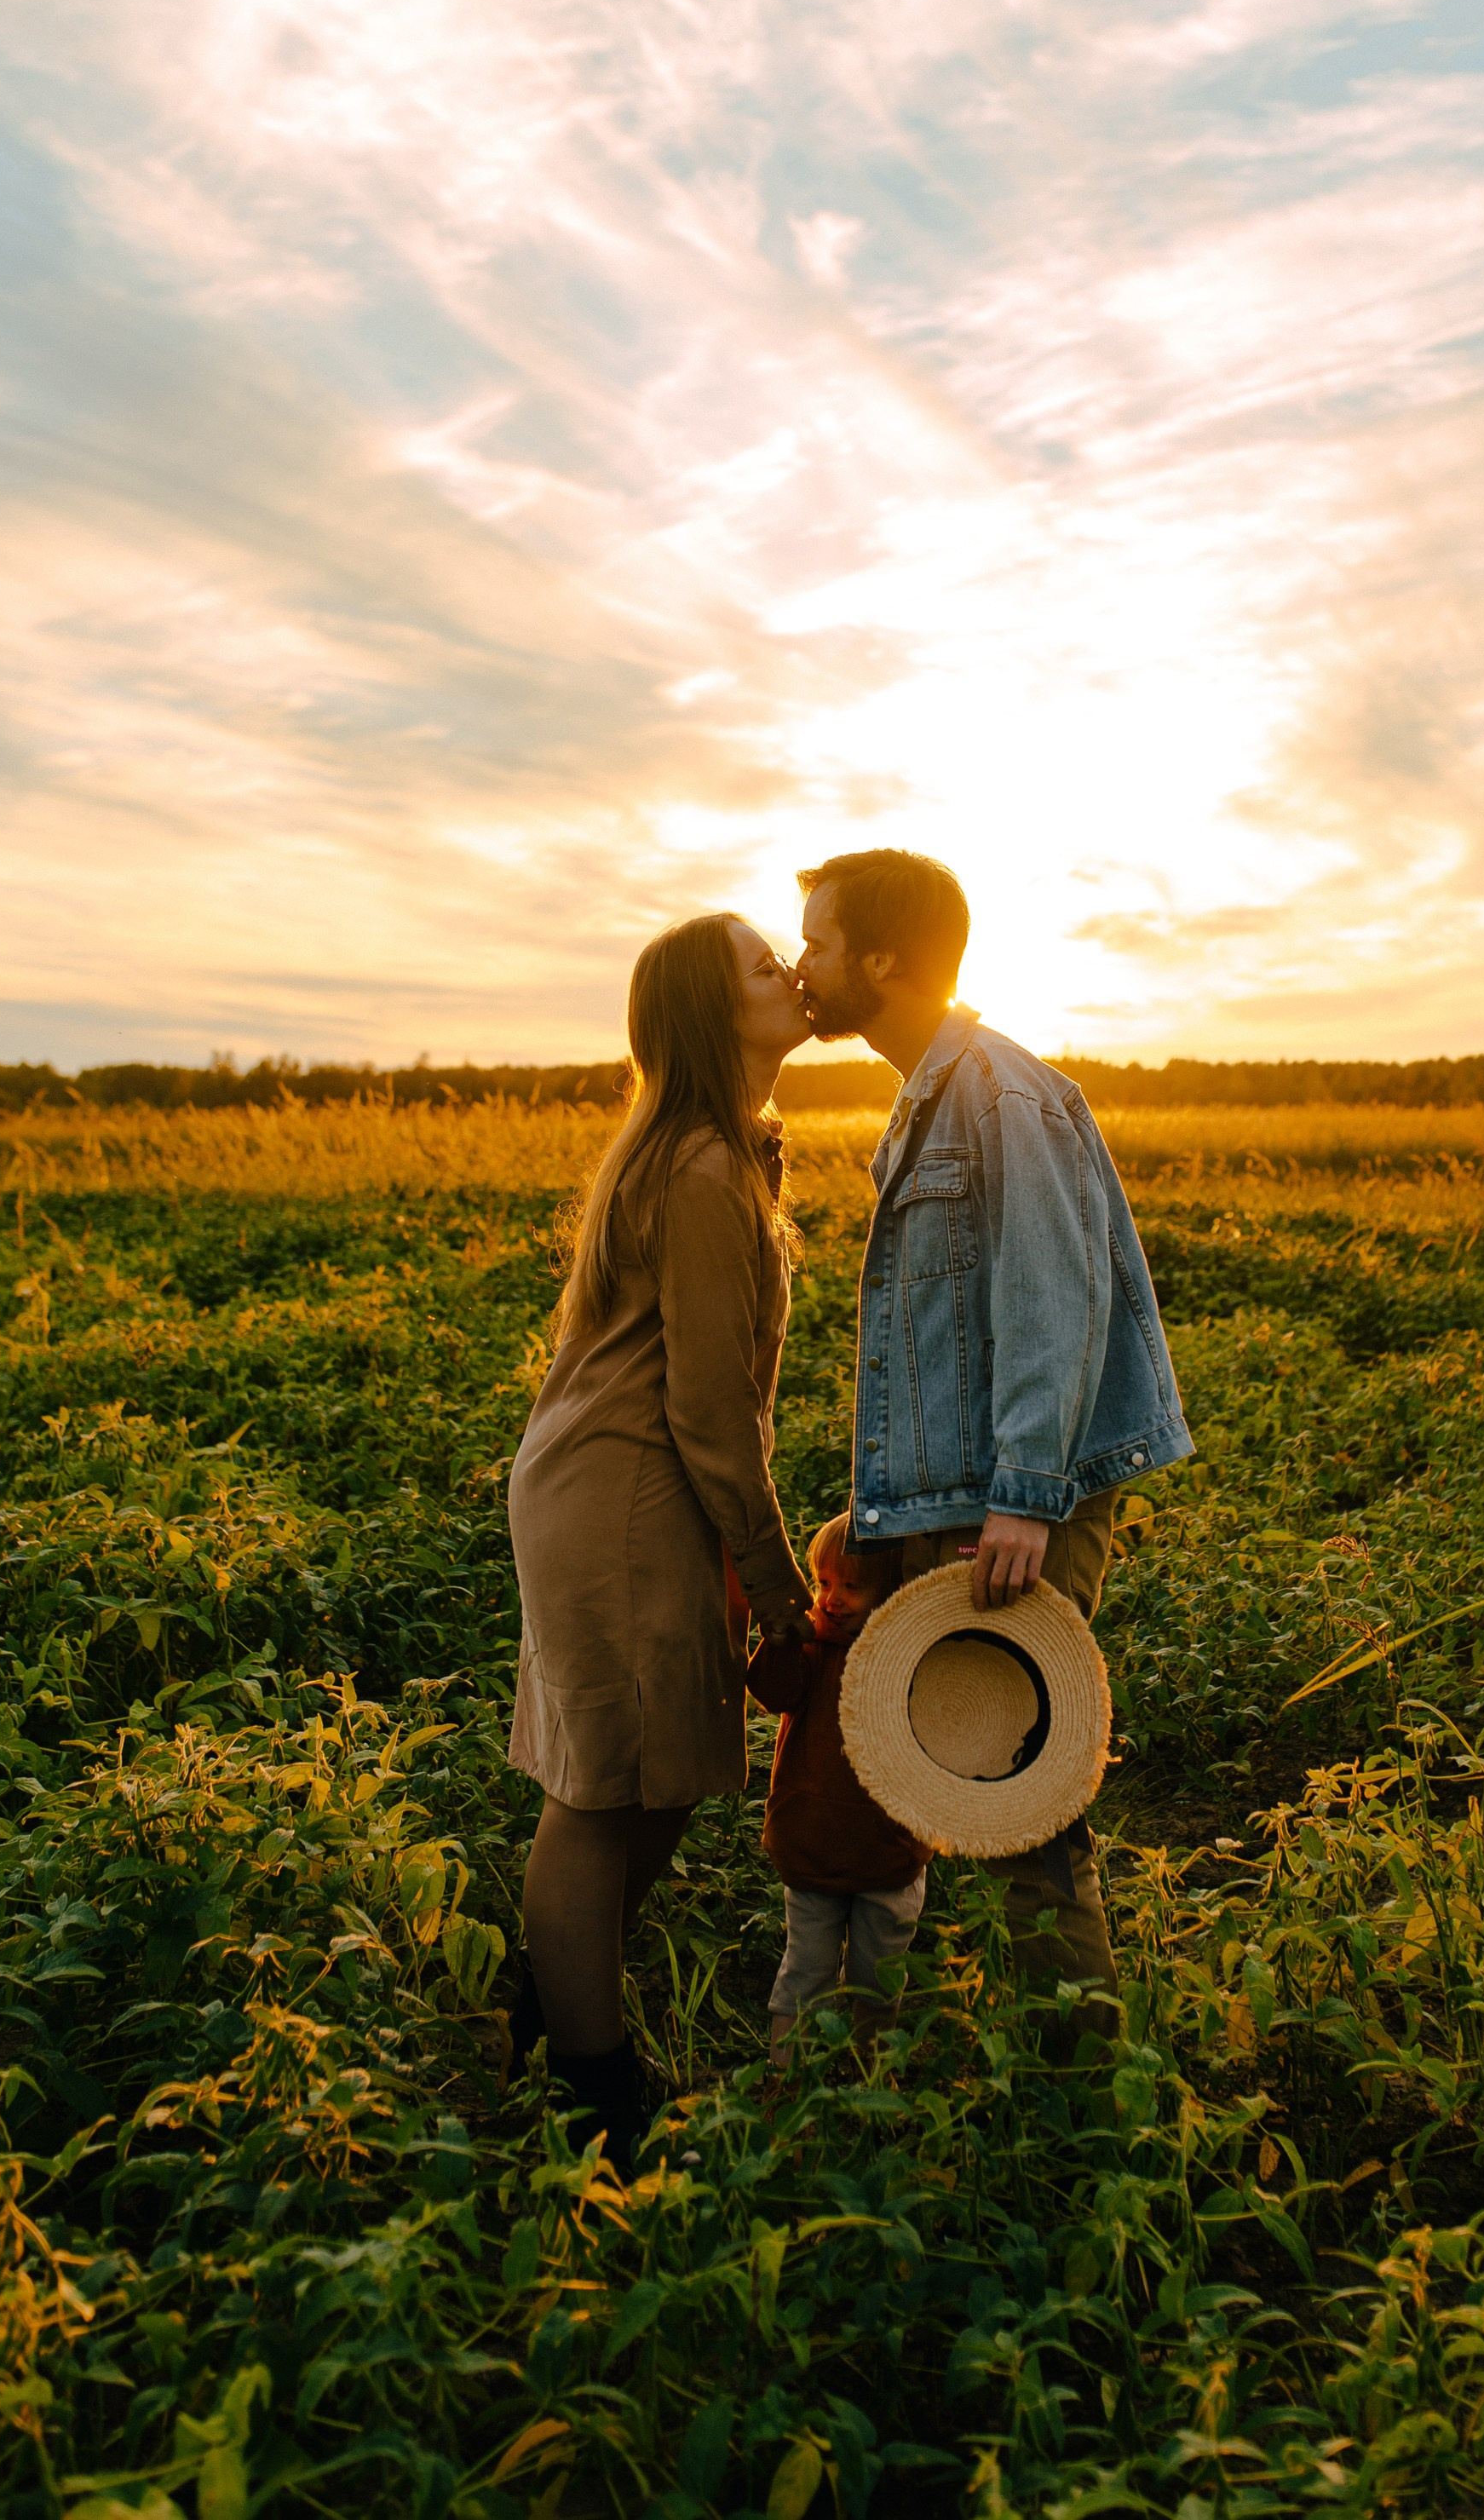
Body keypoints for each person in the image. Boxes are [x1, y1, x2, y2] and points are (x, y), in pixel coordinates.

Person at [792, 848, 1193, 2019]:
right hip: (972, 1491)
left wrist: (1024, 1492)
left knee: (1024, 1794)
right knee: (957, 1768)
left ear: (881, 959)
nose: (800, 964)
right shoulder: (932, 1092)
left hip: (1017, 1501)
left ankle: (1080, 2076)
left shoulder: (999, 1092)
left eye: (817, 942)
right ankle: (963, 2038)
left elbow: (1049, 1294)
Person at [504, 912, 816, 2169]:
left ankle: (548, 1999)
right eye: (762, 965)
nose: (790, 973)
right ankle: (593, 2095)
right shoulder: (696, 1167)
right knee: (602, 1793)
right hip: (624, 1491)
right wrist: (779, 1580)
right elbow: (706, 1406)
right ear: (709, 1010)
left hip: (643, 1486)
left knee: (661, 1776)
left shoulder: (726, 1150)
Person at [747, 1513, 929, 2065]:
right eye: (824, 1583)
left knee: (878, 1980)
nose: (833, 1599)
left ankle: (870, 2078)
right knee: (805, 1973)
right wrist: (780, 1641)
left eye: (852, 1586)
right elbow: (774, 1693)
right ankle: (786, 2082)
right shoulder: (813, 1647)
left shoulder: (908, 1659)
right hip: (812, 1846)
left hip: (890, 1852)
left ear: (891, 1591)